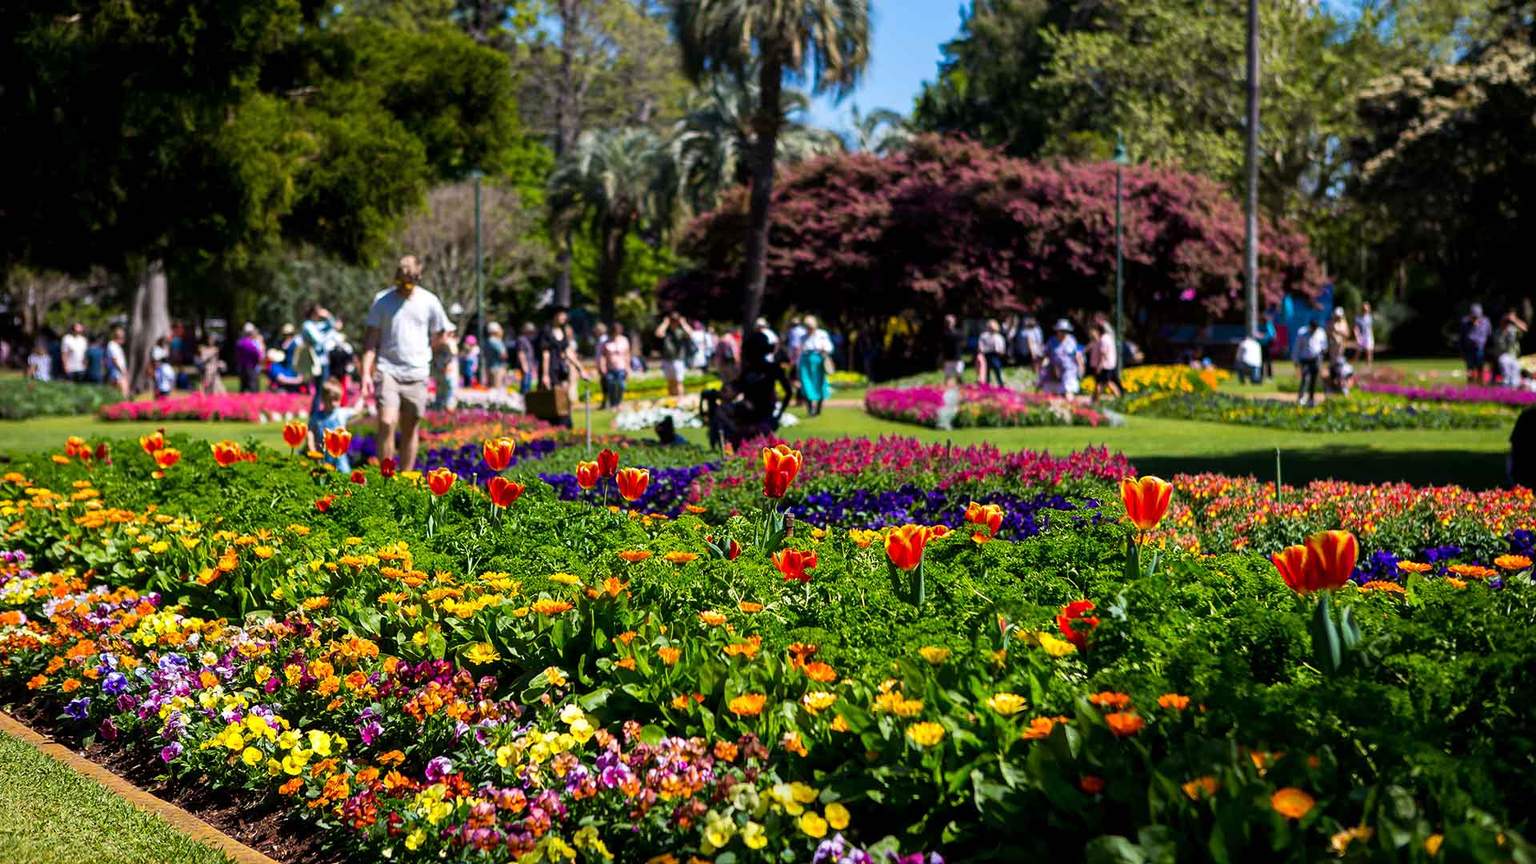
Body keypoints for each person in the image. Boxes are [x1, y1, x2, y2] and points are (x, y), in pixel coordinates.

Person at [361, 255, 450, 473]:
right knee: (387, 422)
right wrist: (365, 373)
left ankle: (406, 477)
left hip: (417, 372)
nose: (406, 284)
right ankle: (386, 478)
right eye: (403, 279)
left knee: (410, 428)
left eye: (411, 279)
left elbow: (442, 331)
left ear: (418, 277)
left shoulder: (429, 301)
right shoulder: (382, 300)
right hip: (388, 369)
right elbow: (371, 340)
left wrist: (430, 349)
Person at [540, 306, 586, 418]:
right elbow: (545, 354)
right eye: (562, 315)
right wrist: (545, 375)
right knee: (554, 400)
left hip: (562, 368)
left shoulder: (563, 331)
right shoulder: (546, 331)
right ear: (555, 316)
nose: (565, 317)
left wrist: (581, 369)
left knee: (565, 396)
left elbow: (568, 352)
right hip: (551, 369)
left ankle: (566, 424)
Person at [306, 379, 354, 474]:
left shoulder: (341, 413)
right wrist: (311, 447)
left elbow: (356, 410)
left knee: (344, 473)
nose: (333, 403)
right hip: (322, 453)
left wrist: (363, 400)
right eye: (330, 400)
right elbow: (310, 430)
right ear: (323, 399)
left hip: (339, 455)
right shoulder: (317, 416)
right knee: (322, 474)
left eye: (336, 400)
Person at [797, 315, 834, 416]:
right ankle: (810, 409)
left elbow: (829, 347)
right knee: (806, 384)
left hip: (818, 360)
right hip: (805, 362)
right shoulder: (803, 337)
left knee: (820, 384)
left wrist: (824, 349)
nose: (809, 329)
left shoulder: (822, 334)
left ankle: (818, 408)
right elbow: (799, 351)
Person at [1039, 319, 1082, 397]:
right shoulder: (1051, 341)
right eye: (1061, 330)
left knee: (1068, 390)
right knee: (1050, 390)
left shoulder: (1071, 341)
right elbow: (1046, 356)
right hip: (1054, 369)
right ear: (1057, 331)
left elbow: (1077, 355)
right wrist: (1042, 368)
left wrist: (1081, 368)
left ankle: (1070, 406)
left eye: (1065, 331)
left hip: (1069, 370)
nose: (1063, 333)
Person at [655, 312, 694, 397]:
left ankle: (680, 400)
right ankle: (672, 401)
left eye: (675, 320)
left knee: (679, 383)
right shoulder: (667, 331)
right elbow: (658, 333)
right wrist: (665, 323)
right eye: (672, 320)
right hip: (667, 360)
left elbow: (691, 334)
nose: (674, 322)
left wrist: (683, 323)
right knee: (670, 383)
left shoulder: (680, 331)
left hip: (678, 360)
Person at [597, 322, 631, 409]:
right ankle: (613, 404)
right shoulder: (606, 342)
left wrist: (628, 367)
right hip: (610, 368)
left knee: (621, 385)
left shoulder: (624, 340)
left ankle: (619, 403)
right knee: (611, 386)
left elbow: (627, 355)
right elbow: (602, 356)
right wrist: (602, 366)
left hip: (621, 367)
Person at [1293, 319, 1326, 406]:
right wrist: (1295, 360)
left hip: (1315, 359)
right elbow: (1297, 347)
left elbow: (1323, 346)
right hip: (1304, 359)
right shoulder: (1302, 332)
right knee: (1305, 378)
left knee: (1313, 380)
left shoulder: (1321, 333)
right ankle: (1301, 398)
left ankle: (1311, 399)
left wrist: (1321, 357)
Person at [430, 324, 460, 410]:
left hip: (446, 370)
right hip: (443, 370)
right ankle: (443, 406)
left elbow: (452, 355)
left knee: (447, 389)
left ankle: (445, 406)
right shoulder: (441, 342)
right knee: (444, 388)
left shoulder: (448, 342)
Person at [1461, 304, 1491, 384]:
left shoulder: (1485, 322)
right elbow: (1462, 337)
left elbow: (1488, 335)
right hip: (1468, 348)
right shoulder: (1465, 322)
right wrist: (1462, 351)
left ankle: (1480, 382)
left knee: (1480, 366)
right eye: (1473, 316)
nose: (1475, 318)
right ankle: (1470, 383)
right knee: (1470, 367)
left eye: (1477, 316)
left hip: (1480, 348)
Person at [1090, 320, 1121, 400]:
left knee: (1105, 383)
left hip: (1105, 366)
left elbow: (1104, 354)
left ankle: (1119, 398)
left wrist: (1099, 366)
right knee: (1102, 383)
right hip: (1109, 365)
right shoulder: (1108, 338)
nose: (1091, 332)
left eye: (1093, 330)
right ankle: (1094, 400)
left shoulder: (1103, 339)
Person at [1496, 310, 1527, 388]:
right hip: (1504, 355)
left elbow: (1525, 328)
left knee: (1516, 376)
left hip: (1514, 355)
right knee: (1506, 376)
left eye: (1507, 322)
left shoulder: (1512, 329)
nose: (1506, 323)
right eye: (1505, 321)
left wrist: (1514, 320)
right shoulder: (1498, 332)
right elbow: (1501, 346)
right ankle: (1506, 390)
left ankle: (1513, 392)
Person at [1326, 307, 1352, 390]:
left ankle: (1342, 386)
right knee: (1333, 367)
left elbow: (1347, 334)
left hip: (1341, 349)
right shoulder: (1331, 323)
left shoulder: (1344, 323)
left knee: (1342, 368)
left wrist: (1339, 332)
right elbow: (1328, 333)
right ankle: (1332, 385)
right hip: (1333, 349)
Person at [234, 323, 265, 393]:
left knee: (243, 388)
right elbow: (258, 356)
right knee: (253, 389)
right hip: (252, 368)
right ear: (251, 333)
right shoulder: (251, 344)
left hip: (242, 368)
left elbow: (237, 356)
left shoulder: (239, 343)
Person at [977, 319, 1007, 387]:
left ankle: (1001, 384)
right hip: (987, 354)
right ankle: (987, 384)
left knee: (997, 369)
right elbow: (980, 345)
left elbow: (1002, 347)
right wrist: (981, 350)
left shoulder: (999, 337)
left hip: (996, 355)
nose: (991, 328)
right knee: (986, 370)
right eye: (990, 327)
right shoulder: (984, 335)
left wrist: (1001, 351)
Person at [940, 315, 966, 386]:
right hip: (948, 357)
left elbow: (963, 343)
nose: (949, 323)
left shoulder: (959, 332)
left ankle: (961, 388)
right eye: (947, 322)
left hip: (957, 356)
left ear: (954, 322)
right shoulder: (944, 333)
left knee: (959, 374)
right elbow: (942, 347)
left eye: (950, 321)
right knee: (948, 375)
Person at [514, 323, 539, 396]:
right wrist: (524, 365)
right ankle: (523, 399)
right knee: (525, 384)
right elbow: (520, 353)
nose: (531, 333)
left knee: (528, 384)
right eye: (530, 331)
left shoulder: (528, 340)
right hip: (525, 365)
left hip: (529, 365)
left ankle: (527, 399)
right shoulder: (521, 339)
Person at [484, 322, 509, 389]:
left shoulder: (487, 341)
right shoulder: (496, 341)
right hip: (497, 369)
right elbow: (503, 355)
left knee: (492, 390)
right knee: (497, 391)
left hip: (490, 367)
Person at [106, 327, 129, 396]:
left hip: (119, 372)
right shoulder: (112, 345)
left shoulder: (117, 346)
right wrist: (122, 371)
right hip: (117, 373)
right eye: (123, 337)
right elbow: (114, 360)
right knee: (123, 393)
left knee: (120, 393)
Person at [1354, 302, 1375, 370]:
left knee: (1369, 351)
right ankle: (1354, 366)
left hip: (1368, 336)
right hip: (1361, 336)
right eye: (1364, 309)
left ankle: (1369, 367)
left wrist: (1371, 337)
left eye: (1366, 309)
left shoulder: (1370, 317)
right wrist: (1357, 337)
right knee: (1358, 352)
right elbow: (1355, 328)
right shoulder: (1358, 318)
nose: (1365, 310)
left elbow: (1370, 327)